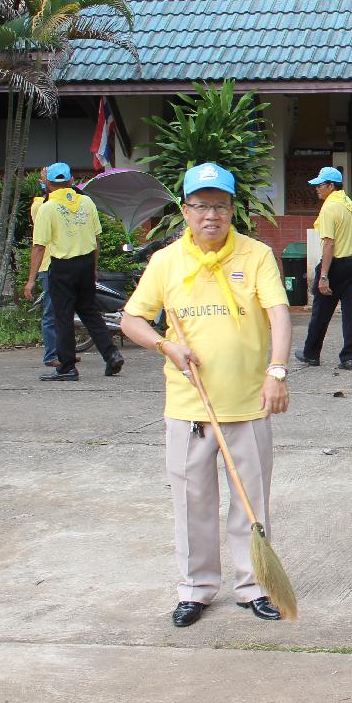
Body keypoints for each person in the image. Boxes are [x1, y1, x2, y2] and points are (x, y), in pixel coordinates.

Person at [119, 162, 293, 628]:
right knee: (192, 502)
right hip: (189, 406)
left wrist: (277, 371)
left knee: (251, 503)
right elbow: (131, 319)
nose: (210, 215)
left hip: (249, 403)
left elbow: (278, 314)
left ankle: (254, 585)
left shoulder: (256, 255)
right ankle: (195, 588)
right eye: (201, 205)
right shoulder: (166, 261)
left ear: (233, 209)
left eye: (220, 205)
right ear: (185, 210)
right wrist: (165, 346)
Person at [23, 162, 122, 381]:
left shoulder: (48, 207)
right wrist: (93, 268)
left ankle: (67, 367)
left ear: (47, 183)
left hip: (63, 267)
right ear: (71, 181)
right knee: (90, 312)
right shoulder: (86, 202)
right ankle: (111, 354)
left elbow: (39, 246)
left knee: (63, 316)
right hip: (86, 264)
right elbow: (96, 239)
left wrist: (31, 280)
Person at [296, 167, 352, 370]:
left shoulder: (329, 208)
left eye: (320, 185)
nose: (317, 188)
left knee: (321, 313)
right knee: (350, 313)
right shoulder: (350, 205)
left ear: (331, 186)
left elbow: (329, 243)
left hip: (335, 266)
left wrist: (323, 276)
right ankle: (349, 358)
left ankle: (311, 354)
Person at [28, 167, 60, 367]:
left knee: (64, 312)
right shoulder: (39, 205)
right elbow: (39, 246)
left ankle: (64, 352)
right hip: (48, 266)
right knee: (51, 313)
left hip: (63, 264)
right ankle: (51, 355)